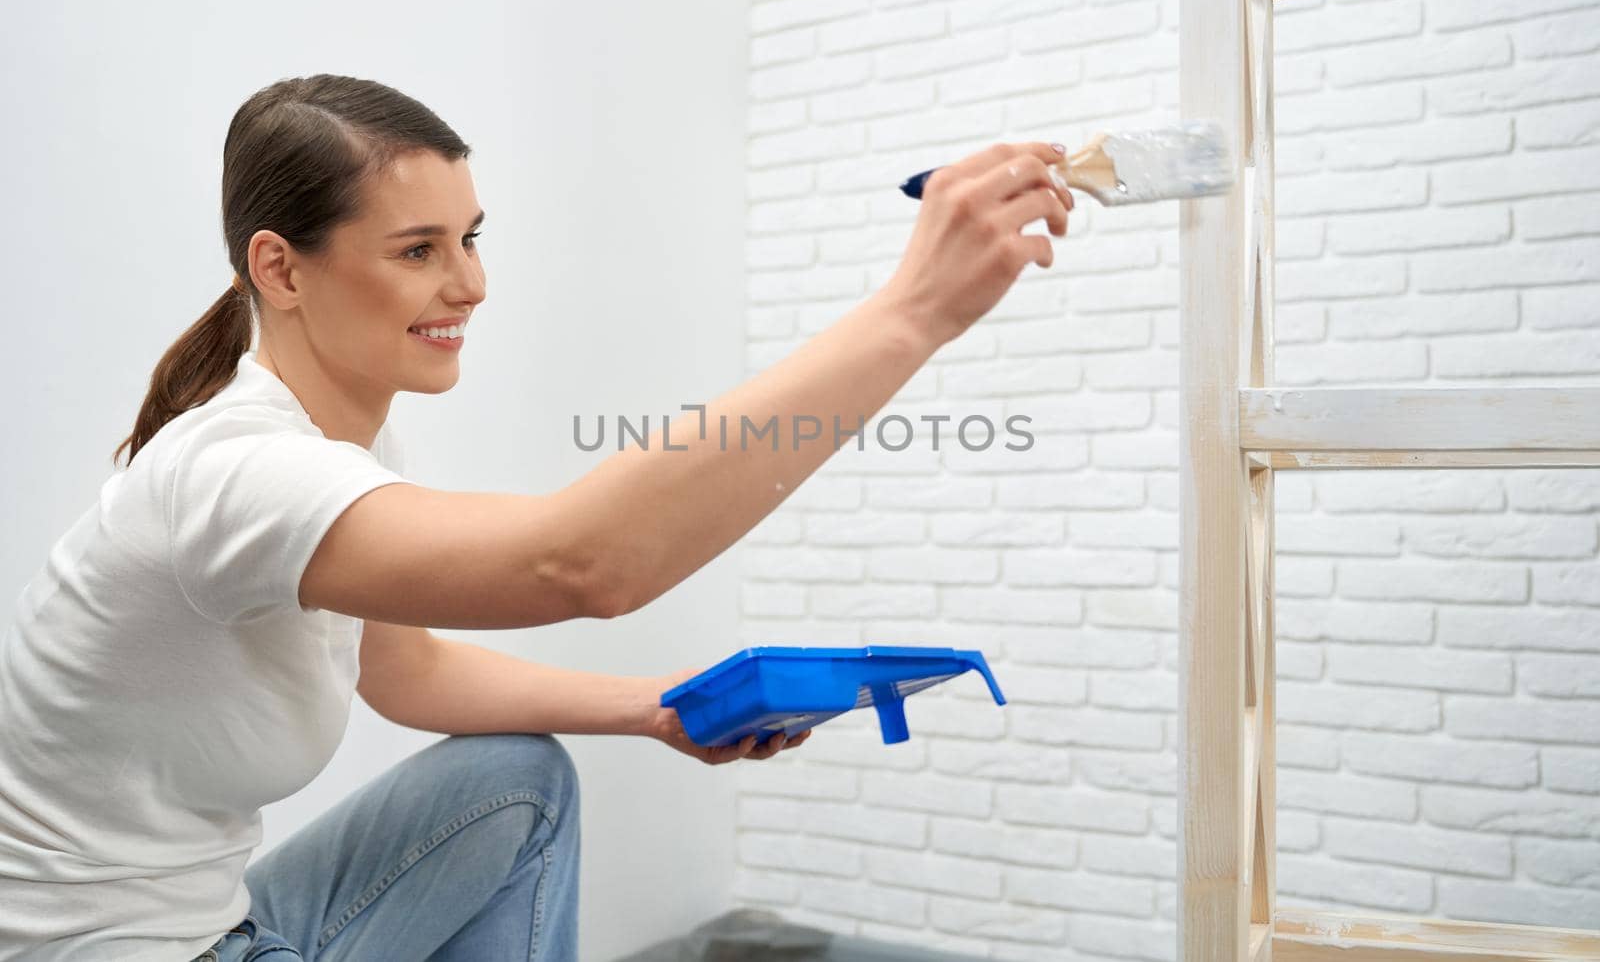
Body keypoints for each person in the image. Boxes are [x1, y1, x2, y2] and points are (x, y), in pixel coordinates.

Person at [0, 73, 1074, 962]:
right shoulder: (234, 472)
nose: (469, 281)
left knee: (514, 776)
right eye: (418, 249)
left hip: (215, 919)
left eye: (470, 236)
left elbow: (405, 672)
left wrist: (662, 706)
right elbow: (582, 563)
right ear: (279, 267)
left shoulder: (336, 452)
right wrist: (913, 311)